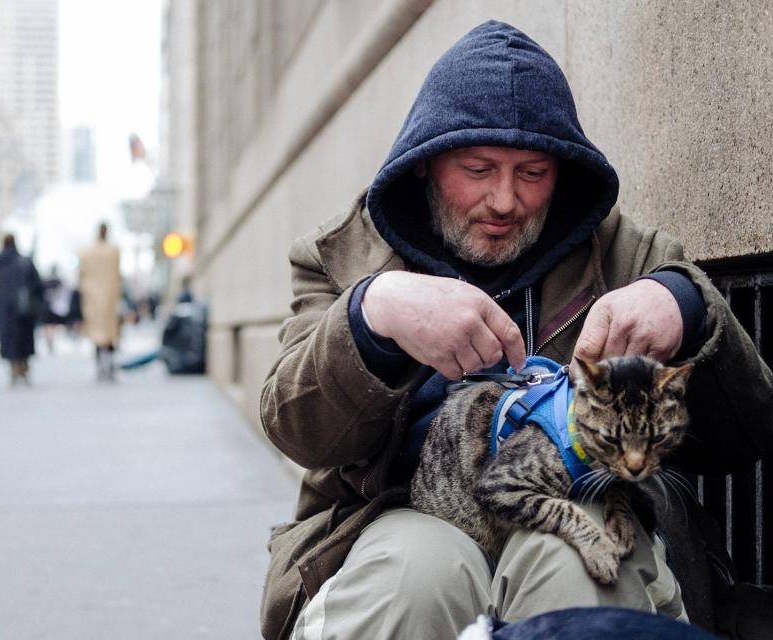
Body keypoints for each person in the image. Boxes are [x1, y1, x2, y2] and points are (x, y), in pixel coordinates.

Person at [259, 21, 773, 640]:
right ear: (424, 163)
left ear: (563, 171)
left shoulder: (627, 254)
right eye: (477, 168)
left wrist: (687, 305)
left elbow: (752, 428)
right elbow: (295, 426)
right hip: (397, 517)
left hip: (584, 501)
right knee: (416, 576)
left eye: (532, 173)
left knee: (579, 568)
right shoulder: (340, 256)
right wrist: (373, 316)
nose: (504, 200)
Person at [0, 234, 42, 386]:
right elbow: (37, 286)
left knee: (9, 339)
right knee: (23, 339)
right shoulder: (25, 262)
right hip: (23, 310)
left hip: (4, 310)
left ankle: (13, 368)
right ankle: (24, 367)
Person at [78, 222, 122, 382]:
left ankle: (101, 367)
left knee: (97, 334)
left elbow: (81, 275)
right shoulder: (113, 251)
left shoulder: (87, 252)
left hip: (93, 298)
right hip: (109, 297)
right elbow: (118, 274)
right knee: (109, 334)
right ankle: (108, 366)